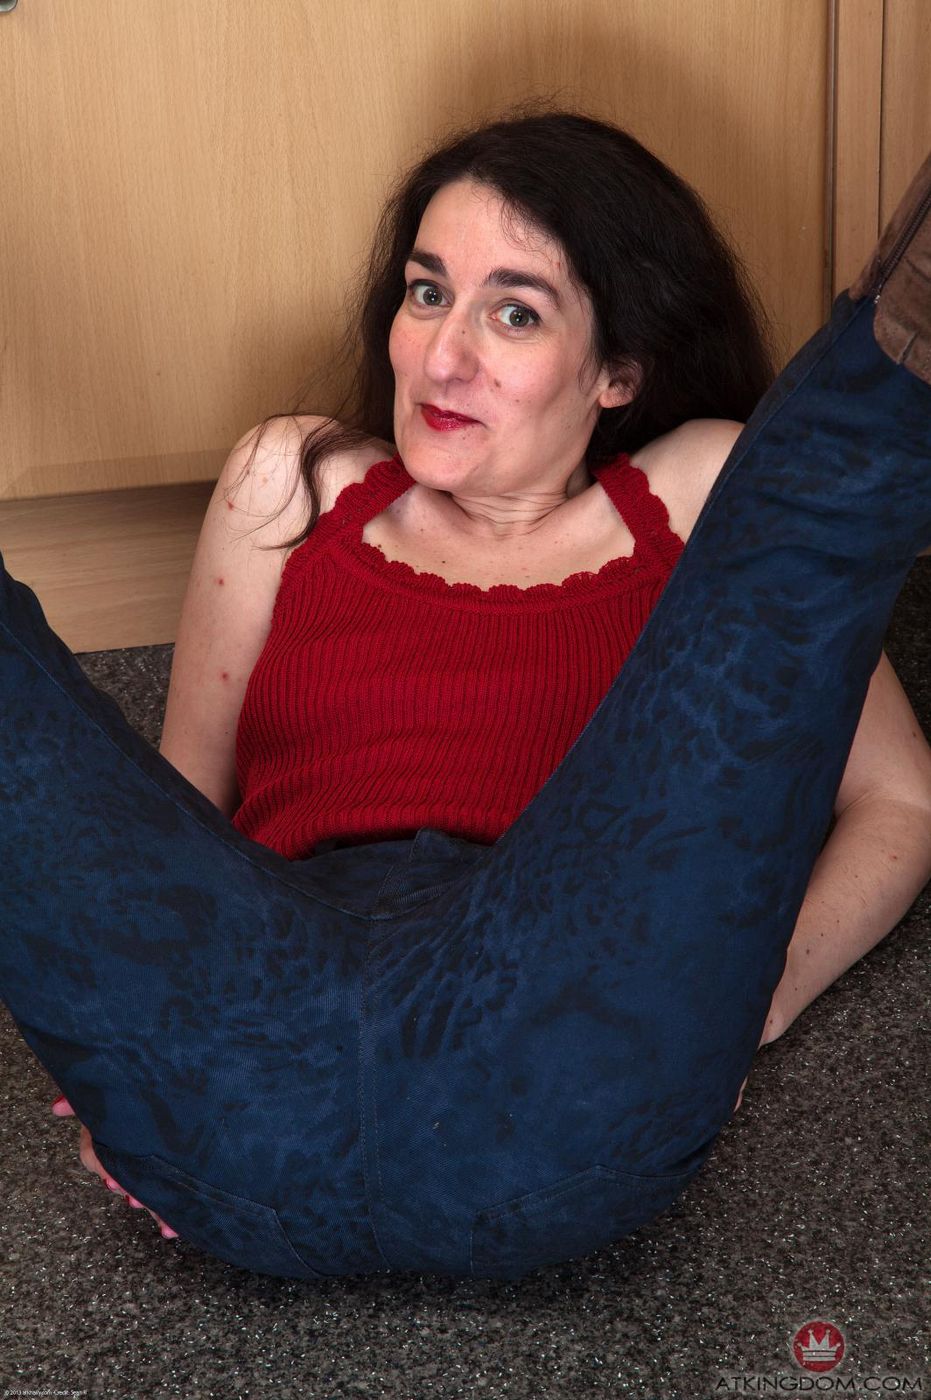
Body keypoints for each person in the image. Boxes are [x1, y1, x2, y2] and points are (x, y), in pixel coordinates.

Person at [3, 107, 931, 1282]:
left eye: (515, 312)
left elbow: (901, 801)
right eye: (427, 291)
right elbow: (168, 820)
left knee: (809, 501)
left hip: (551, 1029)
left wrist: (752, 996)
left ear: (617, 371)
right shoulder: (291, 480)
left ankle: (907, 336)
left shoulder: (694, 490)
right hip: (255, 1045)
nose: (444, 355)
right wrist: (133, 1021)